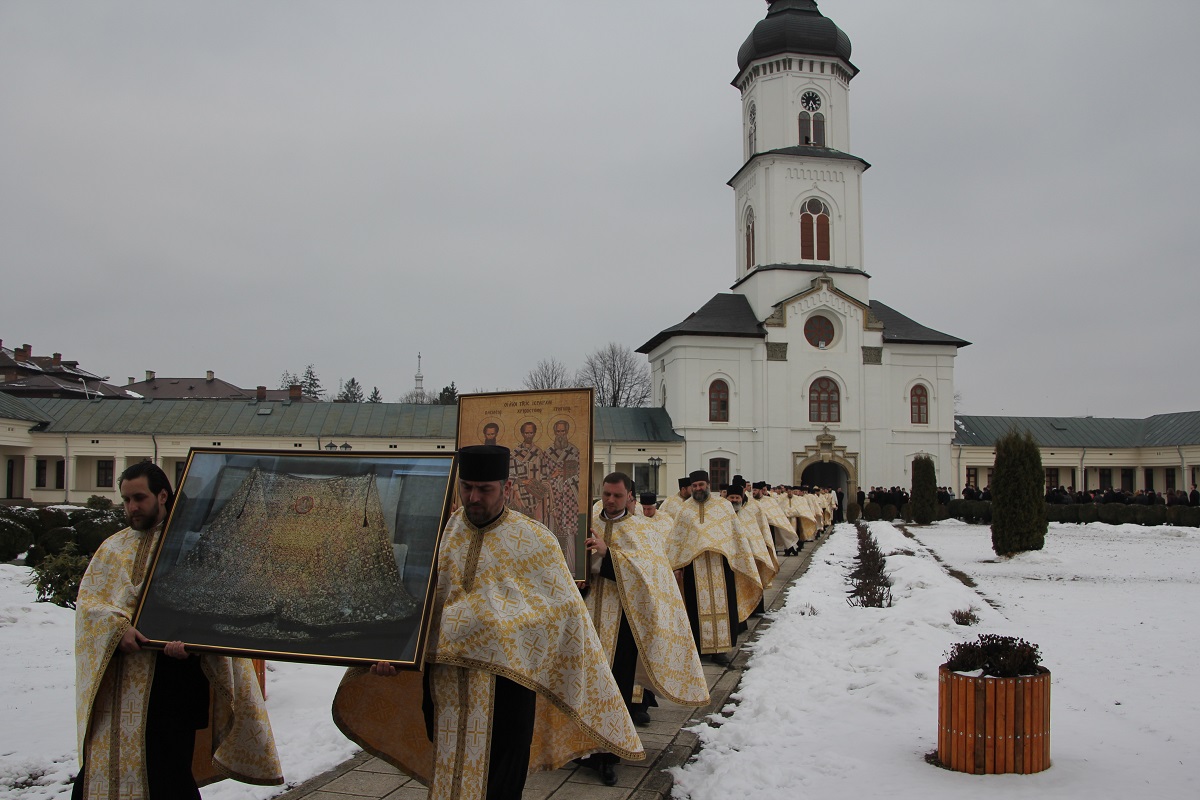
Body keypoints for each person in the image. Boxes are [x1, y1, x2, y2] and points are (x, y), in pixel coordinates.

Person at [333, 445, 641, 800]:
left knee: (501, 782)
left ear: (506, 488)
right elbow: (414, 601)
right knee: (448, 769)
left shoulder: (535, 539)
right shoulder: (442, 534)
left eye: (485, 489)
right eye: (466, 487)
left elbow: (563, 615)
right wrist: (392, 652)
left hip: (507, 688)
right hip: (445, 686)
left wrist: (499, 627)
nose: (473, 498)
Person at [73, 461, 281, 799]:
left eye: (139, 498)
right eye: (125, 500)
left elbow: (217, 602)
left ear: (163, 495)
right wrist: (116, 629)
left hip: (173, 682)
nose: (132, 507)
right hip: (117, 683)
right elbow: (89, 604)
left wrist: (194, 639)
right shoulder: (112, 548)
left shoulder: (193, 545)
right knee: (98, 765)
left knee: (167, 774)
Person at [583, 473, 708, 785]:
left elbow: (649, 574)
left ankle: (609, 754)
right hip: (586, 615)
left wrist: (605, 553)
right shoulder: (587, 522)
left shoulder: (641, 528)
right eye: (606, 494)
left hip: (623, 622)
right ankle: (584, 748)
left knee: (616, 685)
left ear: (629, 497)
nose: (610, 500)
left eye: (617, 495)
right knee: (587, 682)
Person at [664, 470, 763, 664]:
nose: (698, 488)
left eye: (701, 484)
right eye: (695, 486)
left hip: (721, 565)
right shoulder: (685, 509)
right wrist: (674, 565)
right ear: (691, 488)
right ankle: (700, 649)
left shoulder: (723, 507)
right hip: (694, 566)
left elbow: (736, 536)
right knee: (694, 607)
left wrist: (738, 560)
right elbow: (677, 539)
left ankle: (721, 650)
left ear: (709, 484)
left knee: (723, 606)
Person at [545, 419, 582, 572]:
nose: (560, 434)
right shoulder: (548, 452)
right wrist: (554, 476)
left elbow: (577, 473)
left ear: (567, 432)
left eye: (563, 431)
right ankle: (552, 567)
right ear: (554, 432)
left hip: (568, 499)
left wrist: (563, 475)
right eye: (558, 431)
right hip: (554, 497)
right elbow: (544, 474)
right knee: (552, 530)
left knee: (568, 531)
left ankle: (571, 567)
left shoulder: (574, 451)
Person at [509, 420, 549, 524]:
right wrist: (522, 482)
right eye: (526, 433)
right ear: (522, 433)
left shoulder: (539, 453)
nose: (529, 435)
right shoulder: (514, 453)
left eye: (531, 433)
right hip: (519, 493)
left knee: (537, 524)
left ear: (535, 433)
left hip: (537, 494)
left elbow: (545, 474)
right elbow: (510, 475)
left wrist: (541, 489)